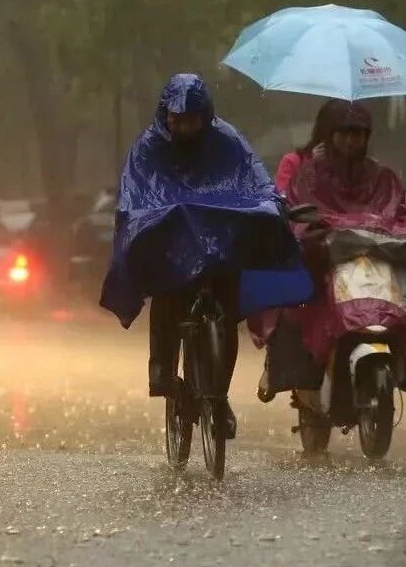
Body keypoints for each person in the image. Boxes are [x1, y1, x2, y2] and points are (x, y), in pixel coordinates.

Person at [100, 74, 305, 439]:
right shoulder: (148, 146)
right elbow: (134, 194)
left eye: (192, 119)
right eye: (177, 119)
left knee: (226, 320)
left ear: (205, 116)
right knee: (167, 297)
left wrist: (271, 205)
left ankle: (218, 395)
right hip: (173, 250)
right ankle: (164, 376)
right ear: (166, 116)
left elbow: (256, 180)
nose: (184, 126)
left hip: (219, 249)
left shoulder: (227, 140)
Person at [254, 99, 406, 402]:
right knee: (295, 298)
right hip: (324, 260)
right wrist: (311, 220)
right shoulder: (303, 168)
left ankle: (402, 362)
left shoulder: (380, 175)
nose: (350, 140)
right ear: (329, 131)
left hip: (370, 259)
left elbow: (396, 210)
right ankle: (287, 365)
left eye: (358, 133)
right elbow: (291, 206)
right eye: (344, 132)